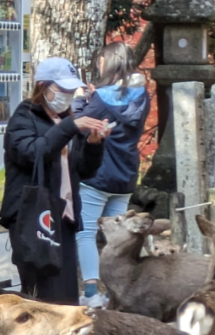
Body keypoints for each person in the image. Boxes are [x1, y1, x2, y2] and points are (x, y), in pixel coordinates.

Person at [0, 57, 110, 304]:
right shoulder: (23, 118)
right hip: (33, 217)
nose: (69, 95)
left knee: (67, 296)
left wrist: (94, 143)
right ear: (43, 86)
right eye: (63, 90)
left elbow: (84, 170)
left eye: (72, 91)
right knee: (43, 296)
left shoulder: (66, 121)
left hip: (64, 218)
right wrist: (70, 127)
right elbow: (33, 153)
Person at [72, 42, 150, 308]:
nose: (100, 65)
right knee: (119, 235)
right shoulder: (142, 95)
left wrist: (81, 100)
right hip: (126, 174)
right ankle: (120, 292)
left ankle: (92, 293)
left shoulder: (101, 97)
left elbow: (83, 125)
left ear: (110, 62)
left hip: (98, 174)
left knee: (85, 232)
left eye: (102, 61)